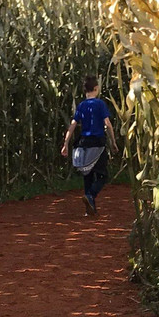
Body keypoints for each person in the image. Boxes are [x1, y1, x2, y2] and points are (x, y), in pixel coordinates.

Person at [60, 75, 118, 215]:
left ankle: (89, 209)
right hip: (97, 143)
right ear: (96, 88)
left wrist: (66, 143)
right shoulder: (100, 104)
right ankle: (90, 195)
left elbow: (73, 125)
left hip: (83, 143)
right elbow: (108, 124)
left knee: (87, 174)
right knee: (102, 175)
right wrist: (113, 142)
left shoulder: (81, 105)